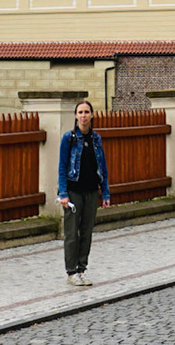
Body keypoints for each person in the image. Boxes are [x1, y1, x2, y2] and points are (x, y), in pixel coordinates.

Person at [56, 99, 110, 286]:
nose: (84, 116)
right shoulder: (68, 138)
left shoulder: (96, 139)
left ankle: (81, 269)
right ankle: (71, 272)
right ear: (75, 116)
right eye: (80, 112)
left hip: (91, 191)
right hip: (73, 192)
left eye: (87, 112)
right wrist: (63, 193)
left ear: (92, 115)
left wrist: (105, 193)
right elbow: (62, 167)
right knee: (72, 233)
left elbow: (102, 167)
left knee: (87, 232)